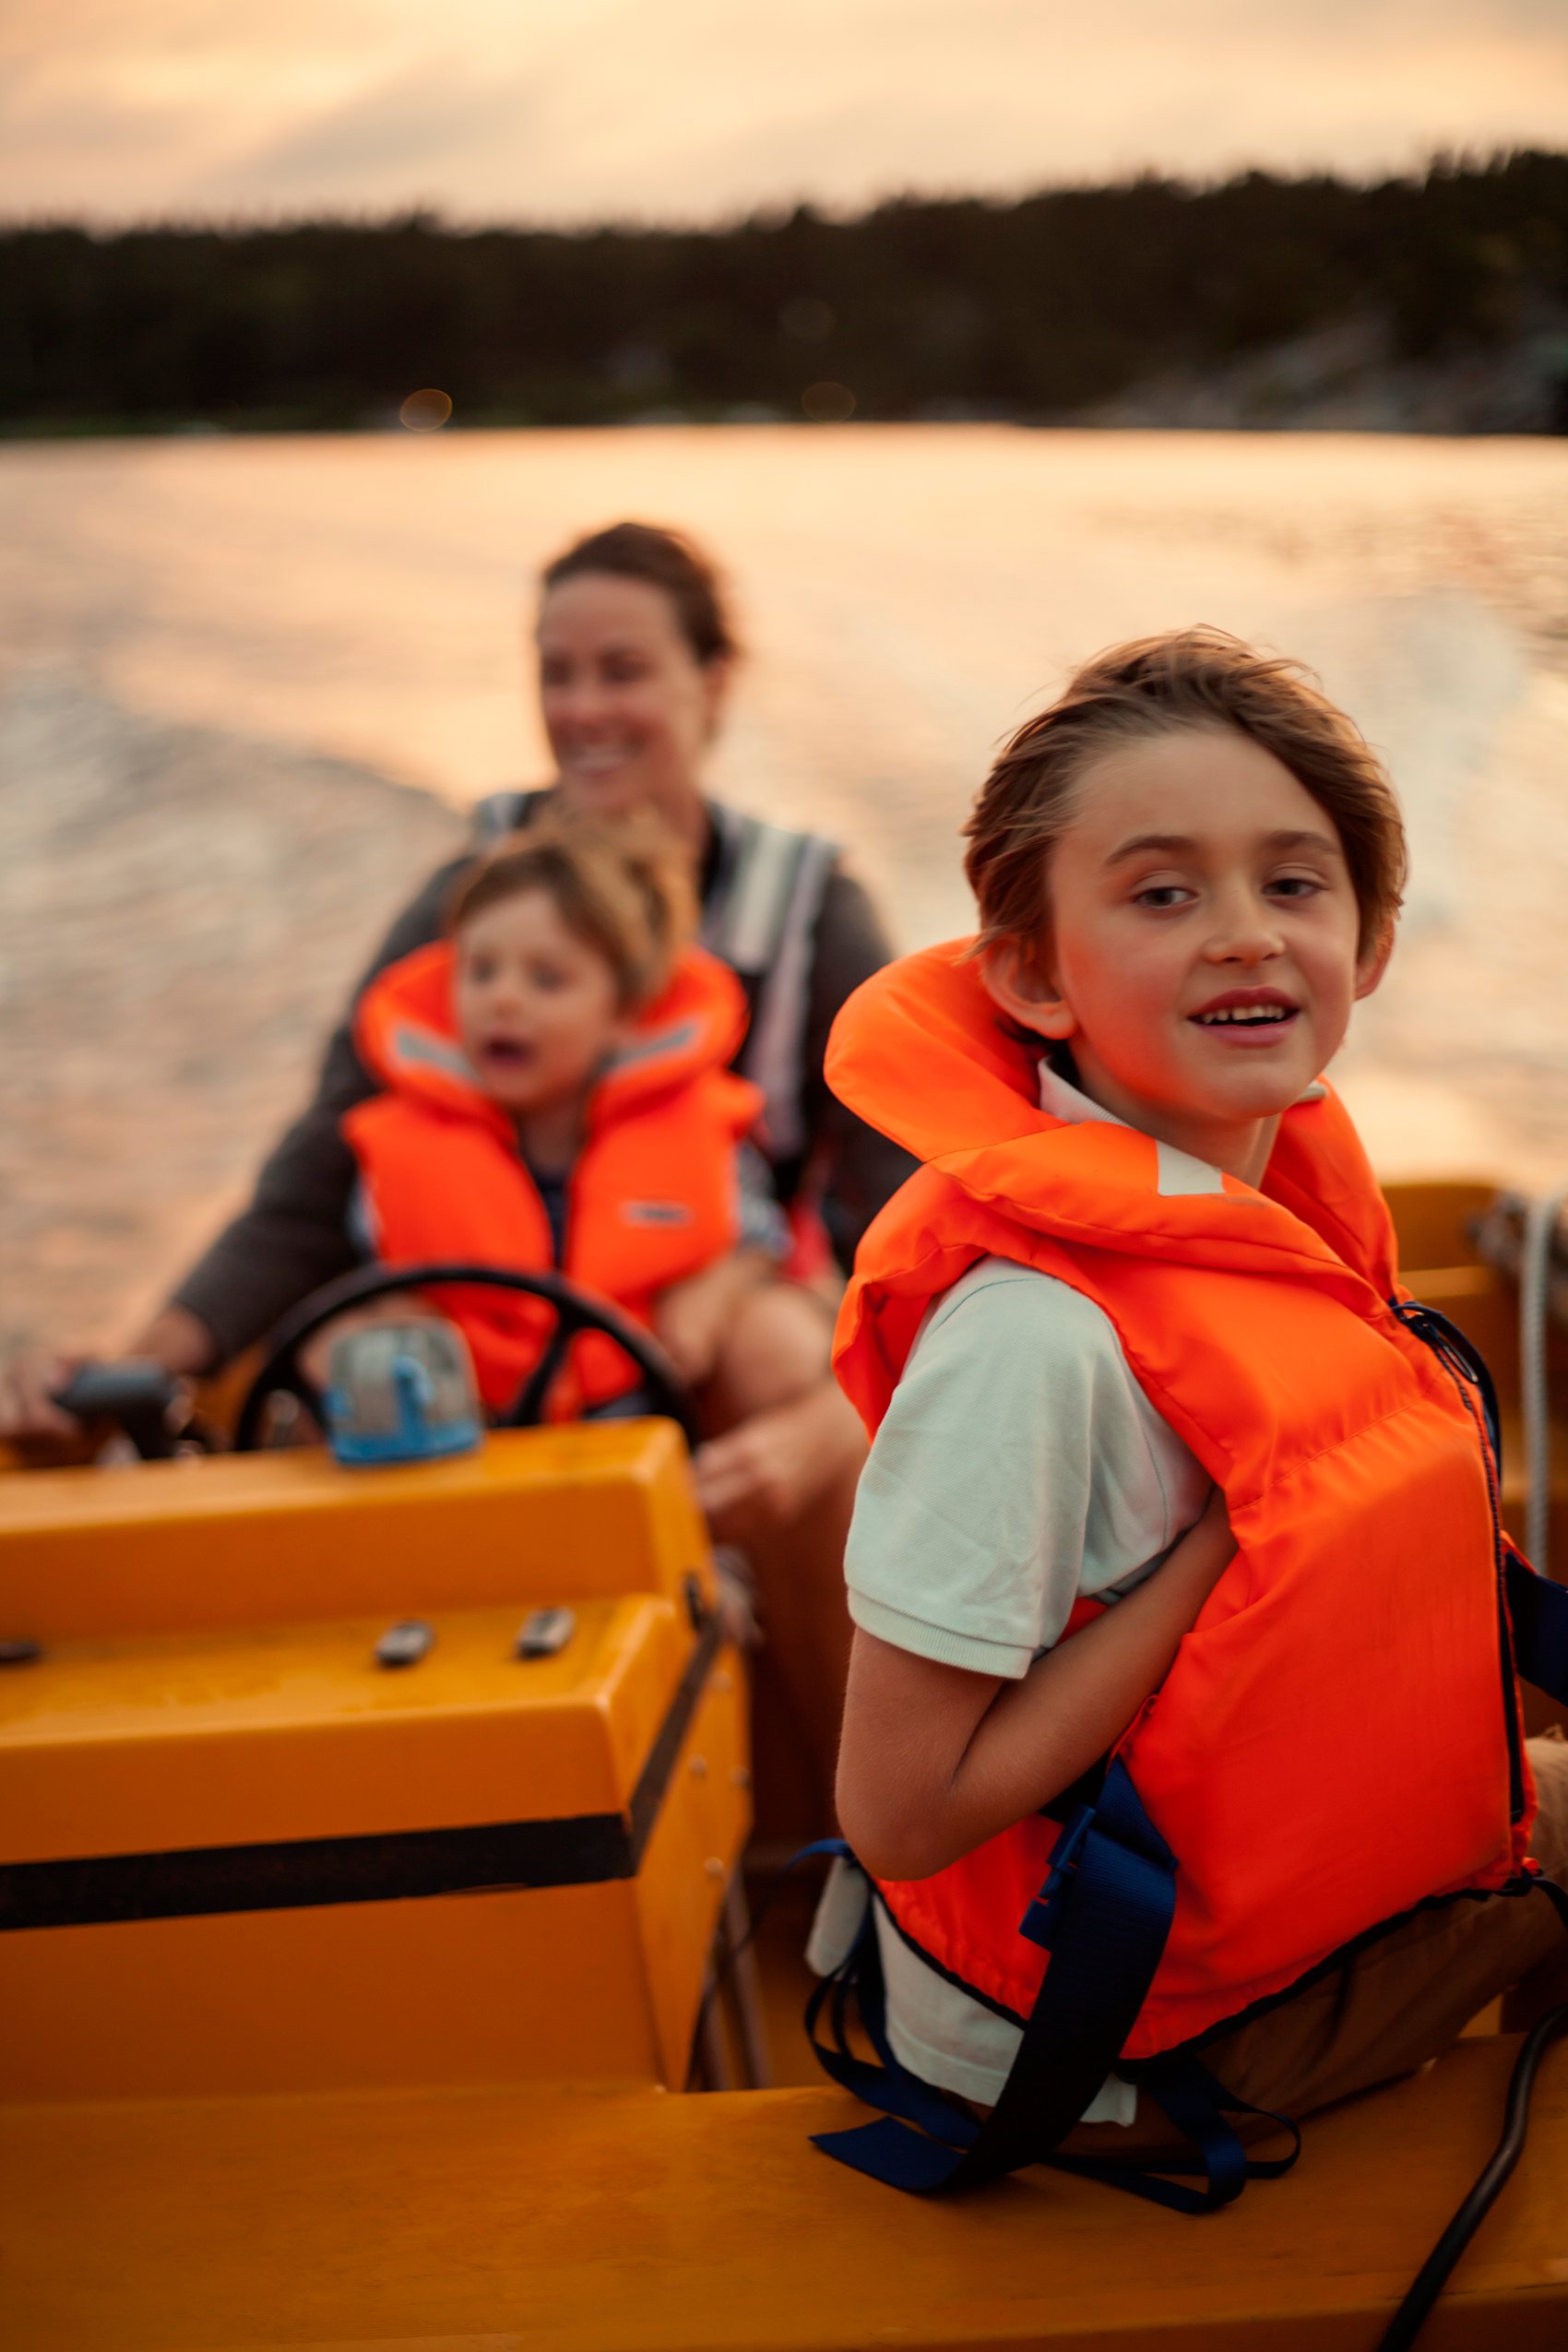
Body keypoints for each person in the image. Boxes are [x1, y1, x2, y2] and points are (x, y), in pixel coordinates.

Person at [814, 627, 1568, 2189]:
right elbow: (899, 1812)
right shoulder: (1034, 1343)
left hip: (1253, 1929)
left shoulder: (1268, 1221)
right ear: (1029, 972)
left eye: (1293, 885)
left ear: (1368, 945)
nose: (1243, 934)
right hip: (1111, 2038)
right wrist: (1220, 1561)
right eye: (1163, 894)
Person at [5, 521, 893, 1821]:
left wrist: (838, 1411)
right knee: (356, 1357)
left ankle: (862, 1839)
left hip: (713, 1333)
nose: (583, 709)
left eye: (622, 670)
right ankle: (402, 1811)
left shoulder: (812, 912)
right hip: (468, 1325)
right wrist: (148, 1354)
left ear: (713, 683)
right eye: (557, 672)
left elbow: (899, 1219)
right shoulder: (464, 899)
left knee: (793, 1385)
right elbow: (315, 1185)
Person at [332, 818, 778, 1419]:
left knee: (776, 1341)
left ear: (624, 1012)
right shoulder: (398, 1145)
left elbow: (760, 1239)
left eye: (547, 979)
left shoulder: (701, 1132)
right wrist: (398, 1320)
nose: (503, 999)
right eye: (481, 971)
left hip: (644, 1422)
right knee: (339, 1353)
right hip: (475, 1438)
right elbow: (380, 1265)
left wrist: (711, 1296)